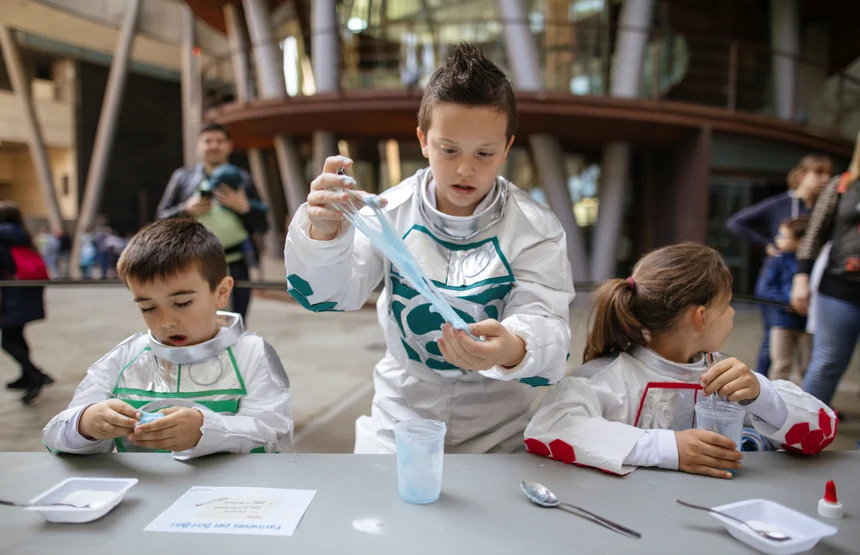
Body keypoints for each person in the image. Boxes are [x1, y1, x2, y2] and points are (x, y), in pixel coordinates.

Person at [285, 43, 575, 454]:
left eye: (485, 153)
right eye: (449, 149)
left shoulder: (535, 229)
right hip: (399, 420)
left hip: (500, 430)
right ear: (423, 139)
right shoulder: (388, 210)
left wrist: (512, 348)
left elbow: (546, 320)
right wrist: (325, 231)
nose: (465, 169)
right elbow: (327, 295)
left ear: (507, 148)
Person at [524, 243, 837, 478]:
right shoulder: (606, 377)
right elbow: (547, 428)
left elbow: (823, 430)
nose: (732, 313)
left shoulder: (732, 378)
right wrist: (668, 448)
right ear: (700, 317)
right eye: (727, 304)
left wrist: (762, 395)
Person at [43, 219, 292, 457]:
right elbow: (54, 435)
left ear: (221, 292)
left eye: (182, 303)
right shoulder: (125, 357)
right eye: (148, 307)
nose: (166, 322)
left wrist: (207, 430)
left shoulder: (252, 353)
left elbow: (274, 435)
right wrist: (85, 424)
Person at [726, 154, 830, 377]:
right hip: (780, 281)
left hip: (810, 282)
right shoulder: (780, 204)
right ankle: (760, 387)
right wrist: (767, 244)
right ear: (802, 175)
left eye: (828, 174)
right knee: (771, 341)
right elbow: (737, 222)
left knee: (808, 346)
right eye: (818, 173)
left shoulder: (825, 207)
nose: (825, 179)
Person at [156, 122, 269, 324]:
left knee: (235, 323)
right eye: (208, 141)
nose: (214, 146)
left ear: (229, 146)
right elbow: (159, 221)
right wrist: (186, 210)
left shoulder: (243, 179)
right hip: (190, 264)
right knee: (190, 323)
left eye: (219, 141)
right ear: (198, 145)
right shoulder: (182, 178)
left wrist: (245, 208)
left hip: (235, 265)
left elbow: (263, 226)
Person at [791, 134, 860, 408]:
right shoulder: (843, 185)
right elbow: (813, 235)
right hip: (840, 289)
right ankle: (804, 426)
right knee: (826, 363)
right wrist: (801, 279)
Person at [0, 202, 54, 404]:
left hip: (11, 293)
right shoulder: (22, 235)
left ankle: (35, 375)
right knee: (16, 335)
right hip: (26, 291)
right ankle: (26, 374)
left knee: (8, 341)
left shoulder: (2, 237)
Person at [761, 217, 810, 383]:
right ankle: (775, 397)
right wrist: (785, 303)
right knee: (780, 366)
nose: (777, 239)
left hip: (807, 324)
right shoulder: (777, 261)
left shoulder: (811, 264)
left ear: (800, 241)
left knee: (807, 366)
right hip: (782, 321)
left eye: (783, 236)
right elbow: (768, 288)